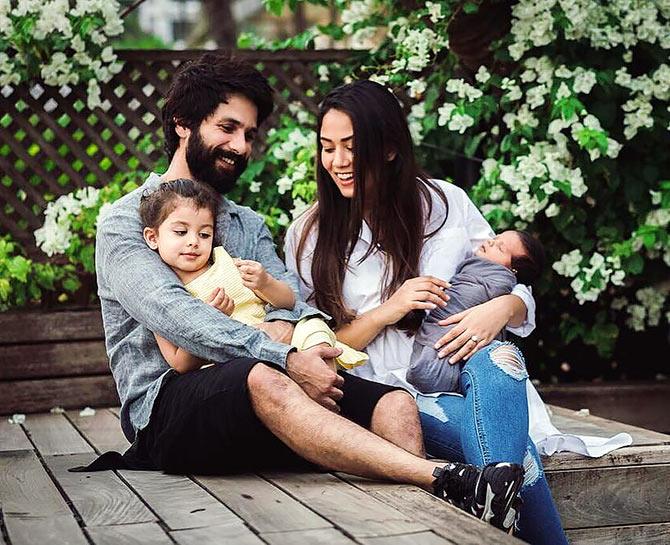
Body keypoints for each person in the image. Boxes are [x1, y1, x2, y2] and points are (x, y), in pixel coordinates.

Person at [89, 53, 525, 531]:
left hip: (275, 395)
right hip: (168, 414)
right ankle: (443, 478)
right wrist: (277, 350)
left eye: (250, 135)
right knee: (260, 375)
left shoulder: (246, 225)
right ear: (182, 125)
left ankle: (434, 529)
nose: (240, 146)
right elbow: (176, 316)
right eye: (227, 128)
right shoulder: (126, 223)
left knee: (393, 404)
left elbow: (295, 304)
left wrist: (294, 334)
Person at [284, 79, 568, 544]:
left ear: (391, 148)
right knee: (520, 459)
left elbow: (510, 281)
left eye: (352, 147)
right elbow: (316, 351)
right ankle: (501, 501)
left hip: (468, 371)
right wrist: (386, 311)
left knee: (500, 356)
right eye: (327, 147)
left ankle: (495, 499)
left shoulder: (447, 204)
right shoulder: (308, 235)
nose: (337, 162)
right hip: (389, 393)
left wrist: (501, 308)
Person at [139, 177, 367, 372]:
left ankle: (324, 383)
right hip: (233, 365)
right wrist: (211, 321)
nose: (193, 242)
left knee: (313, 326)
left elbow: (288, 301)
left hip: (279, 345)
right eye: (180, 232)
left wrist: (265, 283)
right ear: (153, 237)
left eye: (204, 234)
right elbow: (179, 363)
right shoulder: (162, 293)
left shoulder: (227, 264)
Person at [408, 230, 546, 394]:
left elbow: (519, 300)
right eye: (494, 239)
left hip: (442, 363)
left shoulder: (498, 281)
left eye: (500, 248)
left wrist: (506, 306)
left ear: (513, 270)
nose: (490, 242)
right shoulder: (474, 267)